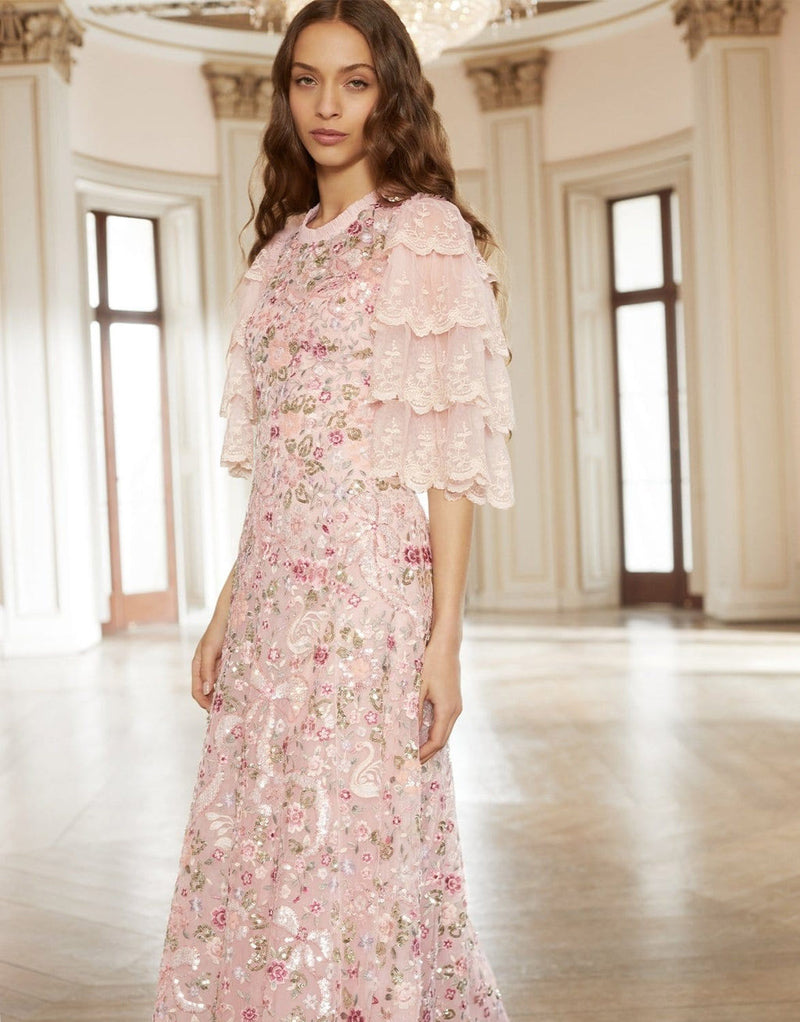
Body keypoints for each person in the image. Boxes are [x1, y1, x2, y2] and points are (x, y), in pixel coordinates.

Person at [152, 0, 515, 1017]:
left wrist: (444, 642)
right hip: (273, 599)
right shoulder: (275, 260)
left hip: (370, 595)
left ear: (387, 92)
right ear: (283, 95)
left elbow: (445, 457)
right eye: (307, 79)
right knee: (261, 830)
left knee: (366, 833)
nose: (327, 104)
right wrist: (228, 604)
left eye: (353, 81)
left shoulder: (424, 234)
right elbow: (279, 458)